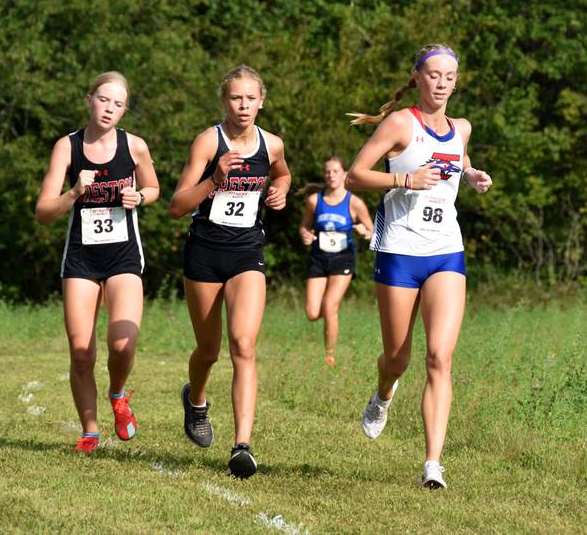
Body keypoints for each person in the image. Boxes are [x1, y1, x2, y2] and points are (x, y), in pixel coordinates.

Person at [345, 44, 492, 489]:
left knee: (439, 357)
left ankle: (433, 464)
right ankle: (383, 394)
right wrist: (405, 179)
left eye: (450, 75)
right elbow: (355, 175)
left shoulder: (461, 127)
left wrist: (470, 175)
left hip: (447, 250)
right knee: (398, 357)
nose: (442, 82)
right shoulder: (399, 123)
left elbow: (457, 157)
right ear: (418, 77)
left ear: (456, 81)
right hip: (399, 251)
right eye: (433, 74)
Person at [169, 65, 291, 478]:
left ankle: (242, 446)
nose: (243, 106)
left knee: (244, 344)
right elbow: (176, 206)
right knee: (209, 351)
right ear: (225, 101)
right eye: (235, 98)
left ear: (261, 101)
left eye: (250, 98)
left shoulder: (270, 144)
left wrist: (282, 189)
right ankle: (197, 401)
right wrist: (214, 180)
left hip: (246, 253)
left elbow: (284, 171)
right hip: (203, 254)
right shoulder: (208, 141)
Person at [35, 71, 159, 453]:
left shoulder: (134, 147)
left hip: (123, 256)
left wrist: (139, 197)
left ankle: (118, 395)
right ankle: (89, 431)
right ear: (89, 99)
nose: (110, 109)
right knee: (81, 350)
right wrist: (75, 191)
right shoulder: (67, 148)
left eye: (118, 104)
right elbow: (43, 211)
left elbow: (153, 188)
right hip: (81, 259)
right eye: (104, 100)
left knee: (122, 344)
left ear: (124, 110)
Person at [298, 157, 373, 367]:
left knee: (330, 305)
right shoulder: (314, 200)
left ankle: (329, 355)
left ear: (344, 174)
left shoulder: (354, 202)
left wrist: (363, 231)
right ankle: (330, 317)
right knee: (313, 313)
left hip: (343, 259)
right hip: (318, 258)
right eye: (327, 171)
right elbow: (304, 227)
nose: (331, 175)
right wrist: (305, 234)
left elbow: (372, 231)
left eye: (335, 171)